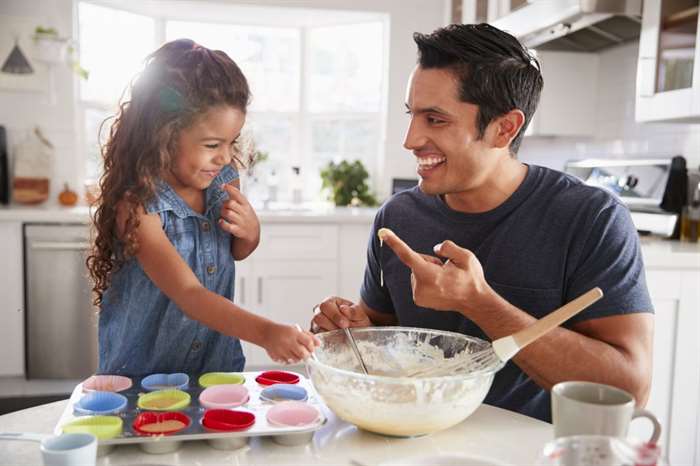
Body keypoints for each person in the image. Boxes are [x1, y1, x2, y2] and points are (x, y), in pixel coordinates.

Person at [311, 24, 653, 422]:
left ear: (504, 128)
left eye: (435, 119)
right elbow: (385, 333)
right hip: (415, 438)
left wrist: (479, 302)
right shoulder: (397, 217)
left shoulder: (591, 218)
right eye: (412, 115)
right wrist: (353, 328)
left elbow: (630, 389)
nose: (410, 139)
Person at [87, 39, 317, 376]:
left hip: (215, 366)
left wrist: (251, 232)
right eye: (212, 145)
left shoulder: (223, 177)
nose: (225, 156)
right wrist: (267, 333)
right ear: (162, 135)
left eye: (231, 142)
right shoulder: (137, 206)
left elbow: (235, 250)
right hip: (143, 377)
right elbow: (188, 292)